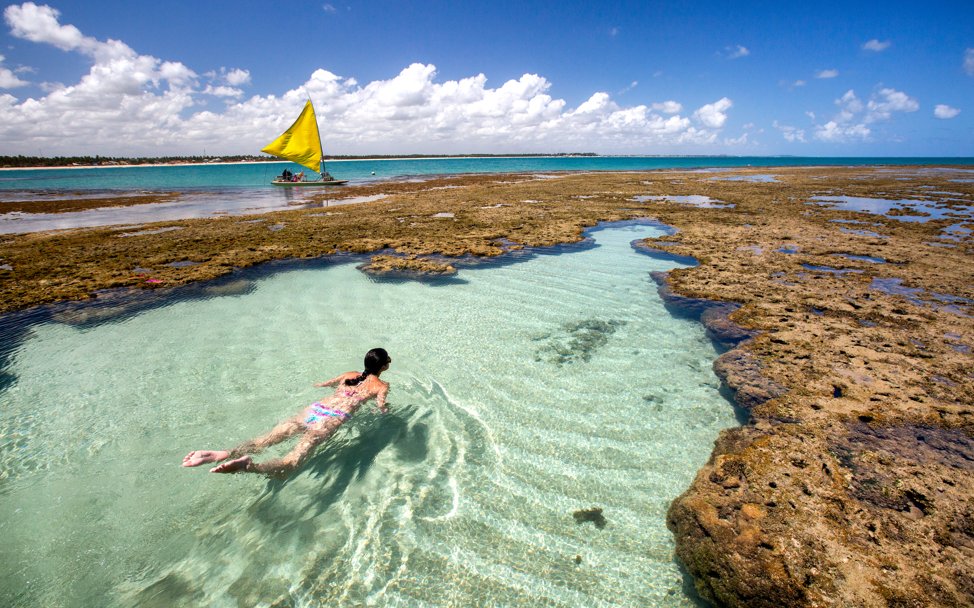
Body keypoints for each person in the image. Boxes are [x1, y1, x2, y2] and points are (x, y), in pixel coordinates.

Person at [182, 348, 391, 477]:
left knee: (263, 440)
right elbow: (381, 408)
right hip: (331, 420)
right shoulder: (381, 385)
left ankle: (223, 453)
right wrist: (384, 412)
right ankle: (249, 467)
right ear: (383, 366)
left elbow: (323, 384)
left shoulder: (349, 374)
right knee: (290, 463)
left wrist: (319, 384)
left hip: (315, 409)